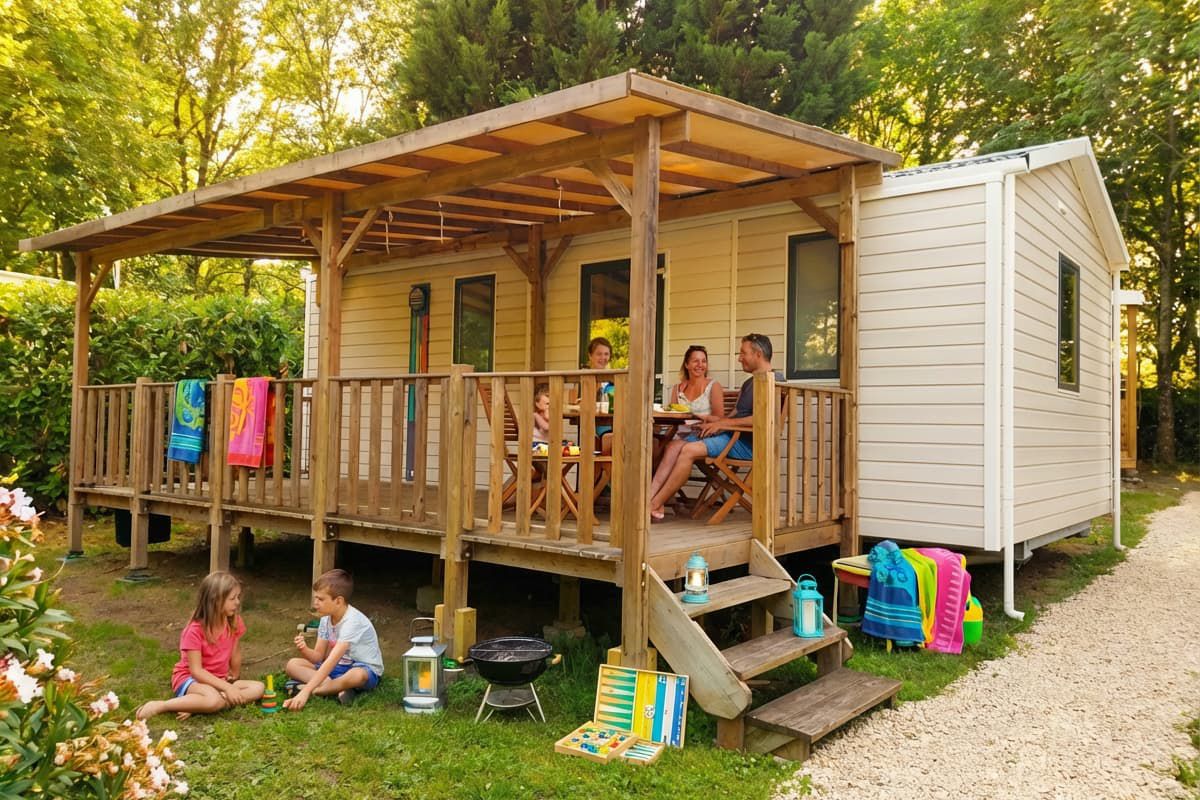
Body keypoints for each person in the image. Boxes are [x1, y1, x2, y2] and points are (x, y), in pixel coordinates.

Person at [649, 333, 778, 522]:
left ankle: (655, 503)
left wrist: (722, 423)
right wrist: (713, 421)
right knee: (674, 446)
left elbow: (763, 418)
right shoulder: (749, 383)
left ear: (757, 354)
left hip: (747, 443)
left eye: (743, 353)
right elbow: (734, 414)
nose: (739, 358)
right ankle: (649, 498)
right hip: (730, 436)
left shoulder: (774, 381)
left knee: (688, 450)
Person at [136, 571, 264, 721]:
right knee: (214, 699)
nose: (237, 602)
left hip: (219, 680)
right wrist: (228, 688)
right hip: (190, 679)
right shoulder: (194, 631)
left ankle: (197, 705)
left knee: (258, 688)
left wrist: (234, 675)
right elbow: (196, 671)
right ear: (216, 601)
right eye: (232, 598)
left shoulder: (234, 621)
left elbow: (235, 651)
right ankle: (163, 705)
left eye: (238, 597)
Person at [283, 568, 384, 709]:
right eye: (315, 598)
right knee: (292, 664)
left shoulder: (352, 621)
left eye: (320, 599)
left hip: (362, 669)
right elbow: (319, 657)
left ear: (338, 601)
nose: (315, 603)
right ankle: (338, 688)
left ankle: (316, 690)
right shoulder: (326, 619)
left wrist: (305, 692)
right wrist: (304, 649)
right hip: (336, 669)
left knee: (357, 675)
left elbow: (332, 660)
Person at [651, 345, 725, 492]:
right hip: (679, 434)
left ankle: (652, 495)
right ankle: (660, 496)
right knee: (653, 447)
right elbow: (672, 414)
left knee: (670, 448)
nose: (700, 365)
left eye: (703, 361)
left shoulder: (713, 386)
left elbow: (719, 419)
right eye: (695, 361)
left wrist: (700, 416)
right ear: (686, 364)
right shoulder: (678, 388)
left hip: (703, 434)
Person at [584, 337, 615, 456]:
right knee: (612, 439)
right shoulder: (585, 378)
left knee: (652, 440)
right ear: (590, 356)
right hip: (598, 428)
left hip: (618, 424)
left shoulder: (615, 379)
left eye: (606, 354)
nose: (603, 358)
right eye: (599, 354)